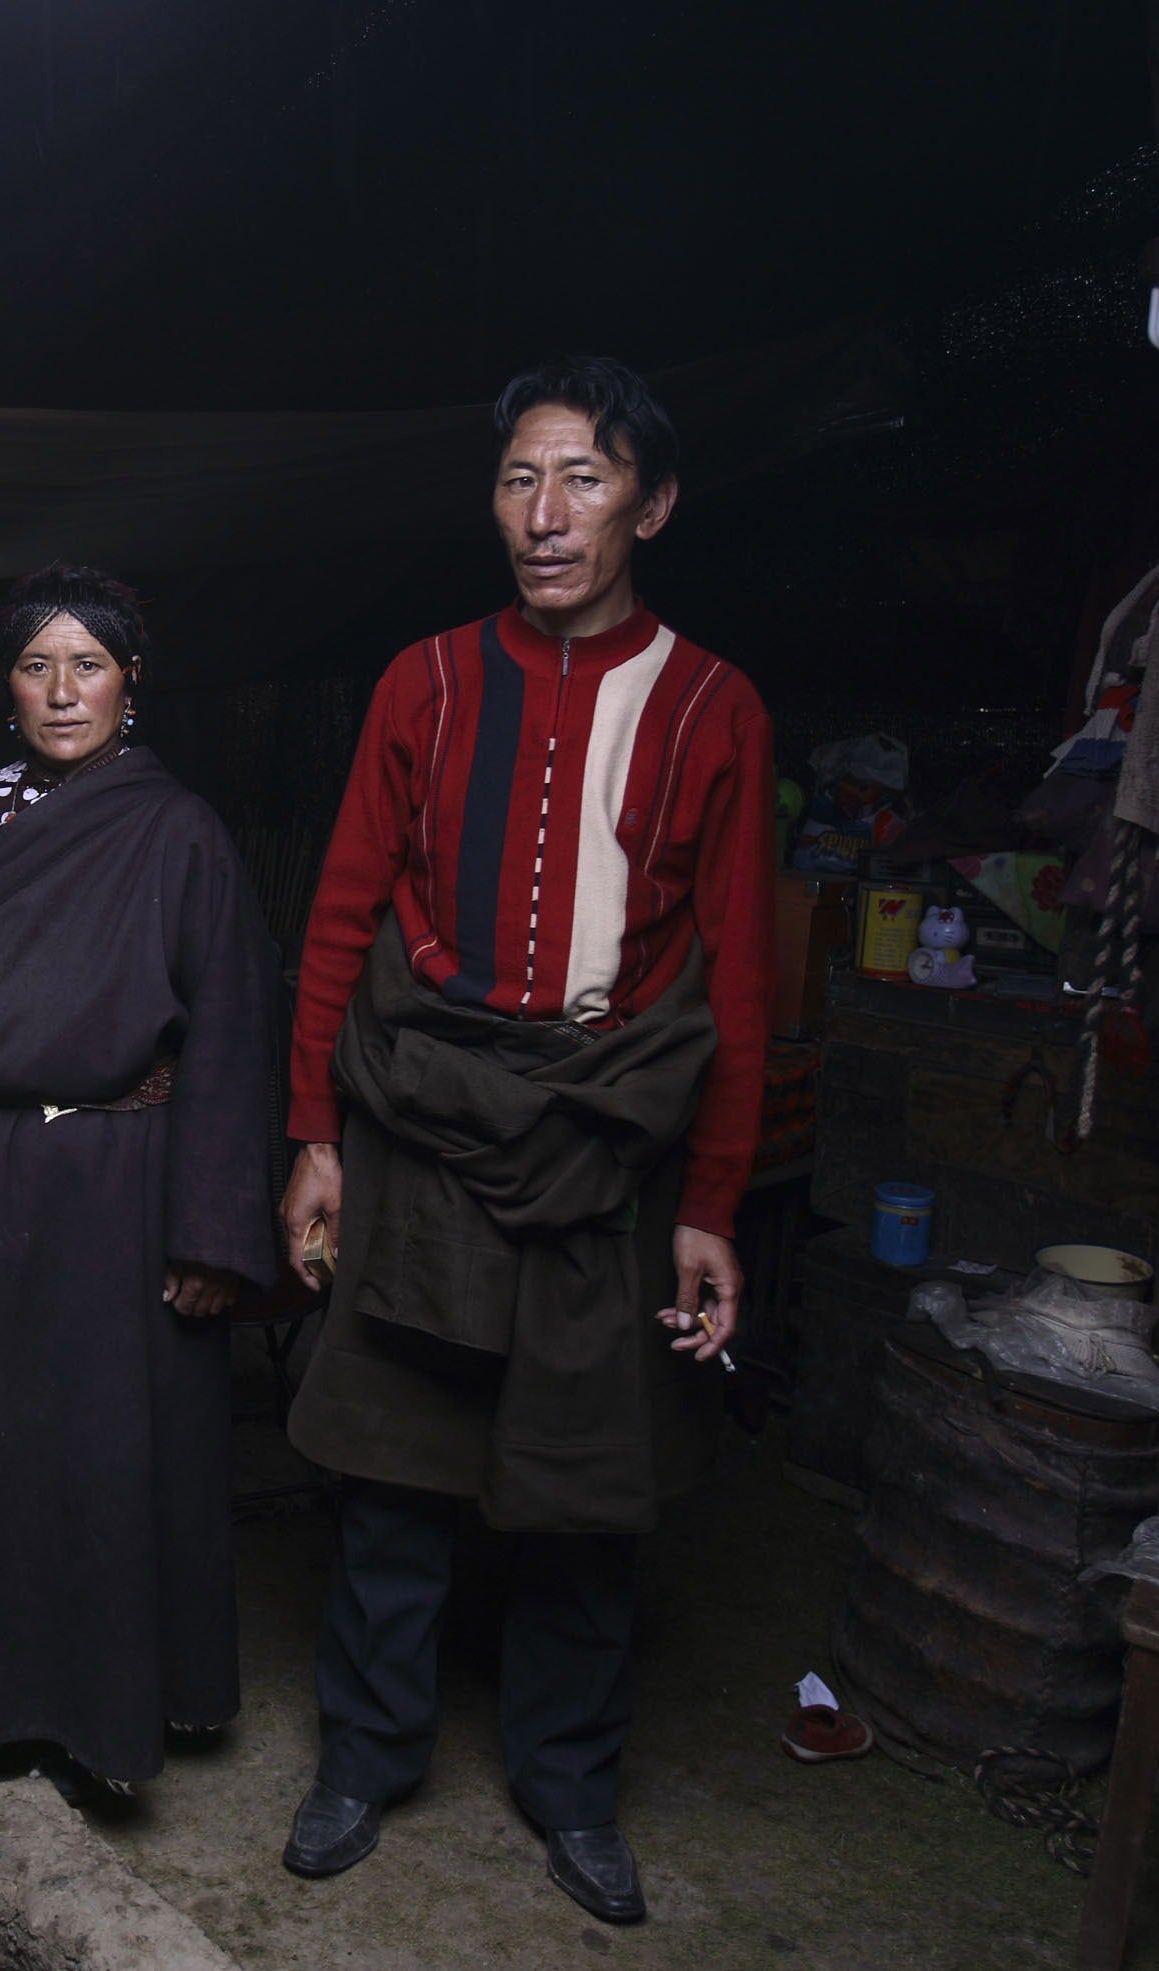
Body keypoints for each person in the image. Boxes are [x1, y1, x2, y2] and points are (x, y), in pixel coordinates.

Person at [272, 357, 774, 1921]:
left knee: (585, 1482)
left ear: (654, 502)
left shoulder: (713, 703)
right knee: (393, 1466)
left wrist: (713, 1198)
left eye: (584, 479)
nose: (545, 516)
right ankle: (367, 1751)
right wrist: (316, 1135)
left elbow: (741, 966)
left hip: (604, 1128)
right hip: (419, 1111)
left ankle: (569, 1783)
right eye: (518, 480)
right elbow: (344, 913)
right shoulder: (422, 681)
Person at [0, 565, 280, 1800]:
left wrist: (211, 1231)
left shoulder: (181, 832)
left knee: (110, 1450)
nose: (62, 692)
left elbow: (233, 1035)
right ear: (7, 686)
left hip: (123, 1176)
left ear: (130, 681)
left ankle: (114, 1723)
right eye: (37, 666)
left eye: (88, 664)